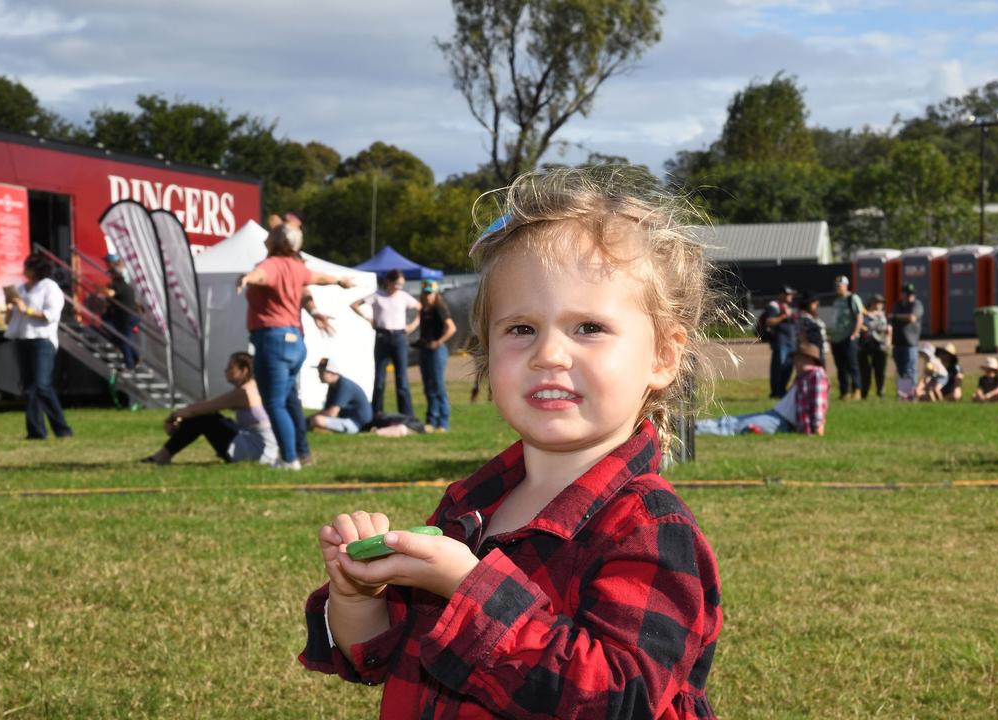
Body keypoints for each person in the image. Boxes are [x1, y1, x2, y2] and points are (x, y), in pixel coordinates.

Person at [300, 168, 723, 719]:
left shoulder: (651, 530)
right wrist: (358, 598)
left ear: (663, 356)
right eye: (520, 328)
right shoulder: (472, 505)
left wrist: (469, 587)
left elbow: (618, 700)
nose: (549, 353)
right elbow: (381, 657)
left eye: (589, 327)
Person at [238, 223, 353, 470]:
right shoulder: (297, 267)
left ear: (277, 242)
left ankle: (289, 459)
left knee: (275, 404)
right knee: (289, 400)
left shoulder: (272, 264)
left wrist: (246, 278)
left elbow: (261, 276)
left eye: (270, 235)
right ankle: (300, 453)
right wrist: (340, 281)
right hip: (295, 343)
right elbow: (319, 278)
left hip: (273, 340)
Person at [142, 352, 277, 465]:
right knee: (211, 416)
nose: (226, 371)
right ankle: (163, 455)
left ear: (244, 370)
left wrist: (174, 416)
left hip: (255, 451)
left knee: (205, 417)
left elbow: (204, 408)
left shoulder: (244, 393)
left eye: (231, 368)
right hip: (265, 450)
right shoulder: (255, 387)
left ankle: (162, 456)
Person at [4, 254, 74, 440]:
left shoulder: (50, 288)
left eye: (27, 266)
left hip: (42, 340)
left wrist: (25, 309)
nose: (24, 269)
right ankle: (35, 432)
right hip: (23, 338)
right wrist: (11, 308)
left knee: (42, 385)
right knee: (29, 388)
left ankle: (62, 429)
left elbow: (51, 315)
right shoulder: (21, 288)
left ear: (35, 269)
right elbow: (10, 319)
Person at [696, 341, 829, 436]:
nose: (794, 363)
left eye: (797, 359)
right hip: (776, 416)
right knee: (731, 421)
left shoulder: (817, 375)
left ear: (807, 359)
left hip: (783, 422)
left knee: (735, 427)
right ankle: (692, 426)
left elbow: (818, 403)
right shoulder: (804, 378)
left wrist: (817, 427)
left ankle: (694, 430)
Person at [351, 269, 420, 417]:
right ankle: (376, 413)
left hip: (399, 337)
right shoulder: (377, 295)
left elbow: (420, 308)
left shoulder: (403, 296)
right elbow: (355, 304)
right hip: (382, 336)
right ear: (388, 282)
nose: (399, 288)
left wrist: (414, 325)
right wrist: (369, 319)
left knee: (402, 379)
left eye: (401, 285)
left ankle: (407, 415)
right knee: (380, 379)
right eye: (397, 284)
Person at [416, 278, 456, 431]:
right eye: (425, 293)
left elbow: (452, 328)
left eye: (430, 294)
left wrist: (438, 342)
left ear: (435, 293)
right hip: (425, 350)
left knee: (438, 386)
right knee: (428, 386)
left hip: (437, 351)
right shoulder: (424, 310)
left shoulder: (439, 308)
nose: (428, 296)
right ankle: (431, 421)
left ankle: (443, 422)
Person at [309, 357, 374, 435]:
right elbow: (327, 410)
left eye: (322, 372)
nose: (319, 375)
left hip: (357, 424)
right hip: (350, 421)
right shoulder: (334, 386)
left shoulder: (344, 385)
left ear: (332, 373)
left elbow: (332, 413)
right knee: (317, 420)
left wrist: (309, 419)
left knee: (317, 420)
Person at [99, 253, 139, 370]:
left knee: (123, 339)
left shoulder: (119, 283)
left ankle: (129, 364)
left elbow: (110, 293)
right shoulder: (121, 283)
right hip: (125, 315)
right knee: (122, 337)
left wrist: (100, 290)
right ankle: (134, 357)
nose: (109, 275)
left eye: (110, 273)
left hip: (126, 316)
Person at [830, 275, 864, 400]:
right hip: (836, 338)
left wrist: (854, 334)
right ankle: (844, 392)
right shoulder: (836, 301)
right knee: (841, 367)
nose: (837, 288)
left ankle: (857, 389)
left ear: (846, 286)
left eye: (839, 286)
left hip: (848, 338)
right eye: (836, 286)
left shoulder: (853, 298)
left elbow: (859, 317)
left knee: (852, 365)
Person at [761, 285, 797, 398]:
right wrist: (783, 316)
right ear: (781, 294)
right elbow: (769, 322)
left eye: (791, 294)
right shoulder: (774, 306)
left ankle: (782, 390)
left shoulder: (789, 307)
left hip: (791, 342)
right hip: (780, 342)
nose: (791, 296)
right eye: (788, 294)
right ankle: (775, 392)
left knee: (788, 368)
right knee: (778, 367)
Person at [890, 283, 925, 400]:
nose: (909, 296)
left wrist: (896, 316)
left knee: (911, 370)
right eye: (906, 293)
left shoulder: (916, 304)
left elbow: (912, 317)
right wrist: (896, 316)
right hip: (898, 343)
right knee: (901, 372)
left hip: (910, 344)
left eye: (911, 294)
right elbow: (890, 317)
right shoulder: (898, 305)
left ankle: (912, 395)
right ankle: (903, 395)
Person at [858, 293, 891, 399]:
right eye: (876, 302)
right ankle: (864, 392)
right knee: (865, 371)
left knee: (880, 371)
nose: (878, 305)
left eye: (881, 303)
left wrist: (888, 343)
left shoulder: (884, 316)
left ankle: (880, 392)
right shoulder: (864, 315)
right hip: (865, 345)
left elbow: (887, 330)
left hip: (880, 345)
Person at [796, 290, 827, 366]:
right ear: (807, 303)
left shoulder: (812, 316)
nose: (817, 303)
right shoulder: (804, 318)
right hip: (812, 353)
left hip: (818, 351)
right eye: (814, 301)